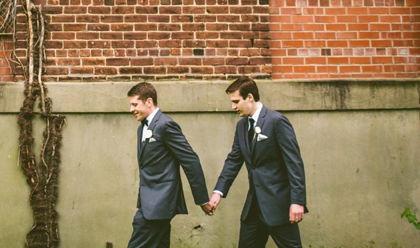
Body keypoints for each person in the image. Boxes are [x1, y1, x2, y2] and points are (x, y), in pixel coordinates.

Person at [208, 77, 307, 248]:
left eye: (236, 101)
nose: (233, 106)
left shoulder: (277, 121)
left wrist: (297, 201)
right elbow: (233, 160)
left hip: (279, 206)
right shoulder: (241, 126)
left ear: (250, 97)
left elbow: (294, 163)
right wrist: (218, 191)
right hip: (253, 208)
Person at [127, 81, 212, 248]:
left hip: (160, 202)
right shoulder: (141, 128)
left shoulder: (166, 125)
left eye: (134, 104)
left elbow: (190, 160)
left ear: (149, 102)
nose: (131, 109)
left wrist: (202, 199)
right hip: (148, 202)